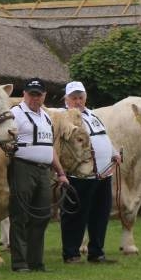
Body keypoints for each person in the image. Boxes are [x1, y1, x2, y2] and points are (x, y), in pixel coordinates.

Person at [8, 78, 69, 272]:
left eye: (38, 94)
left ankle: (36, 261)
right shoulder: (15, 114)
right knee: (20, 214)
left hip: (44, 170)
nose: (35, 98)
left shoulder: (46, 117)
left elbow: (49, 148)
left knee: (42, 215)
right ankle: (19, 262)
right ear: (24, 94)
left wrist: (61, 173)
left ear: (44, 96)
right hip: (23, 167)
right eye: (31, 94)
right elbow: (4, 139)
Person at [60, 81, 121, 264]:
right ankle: (71, 253)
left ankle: (97, 252)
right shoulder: (64, 117)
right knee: (75, 214)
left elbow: (103, 137)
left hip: (103, 173)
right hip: (80, 174)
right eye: (74, 98)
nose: (78, 101)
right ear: (66, 99)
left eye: (80, 97)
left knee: (100, 214)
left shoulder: (92, 115)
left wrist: (114, 153)